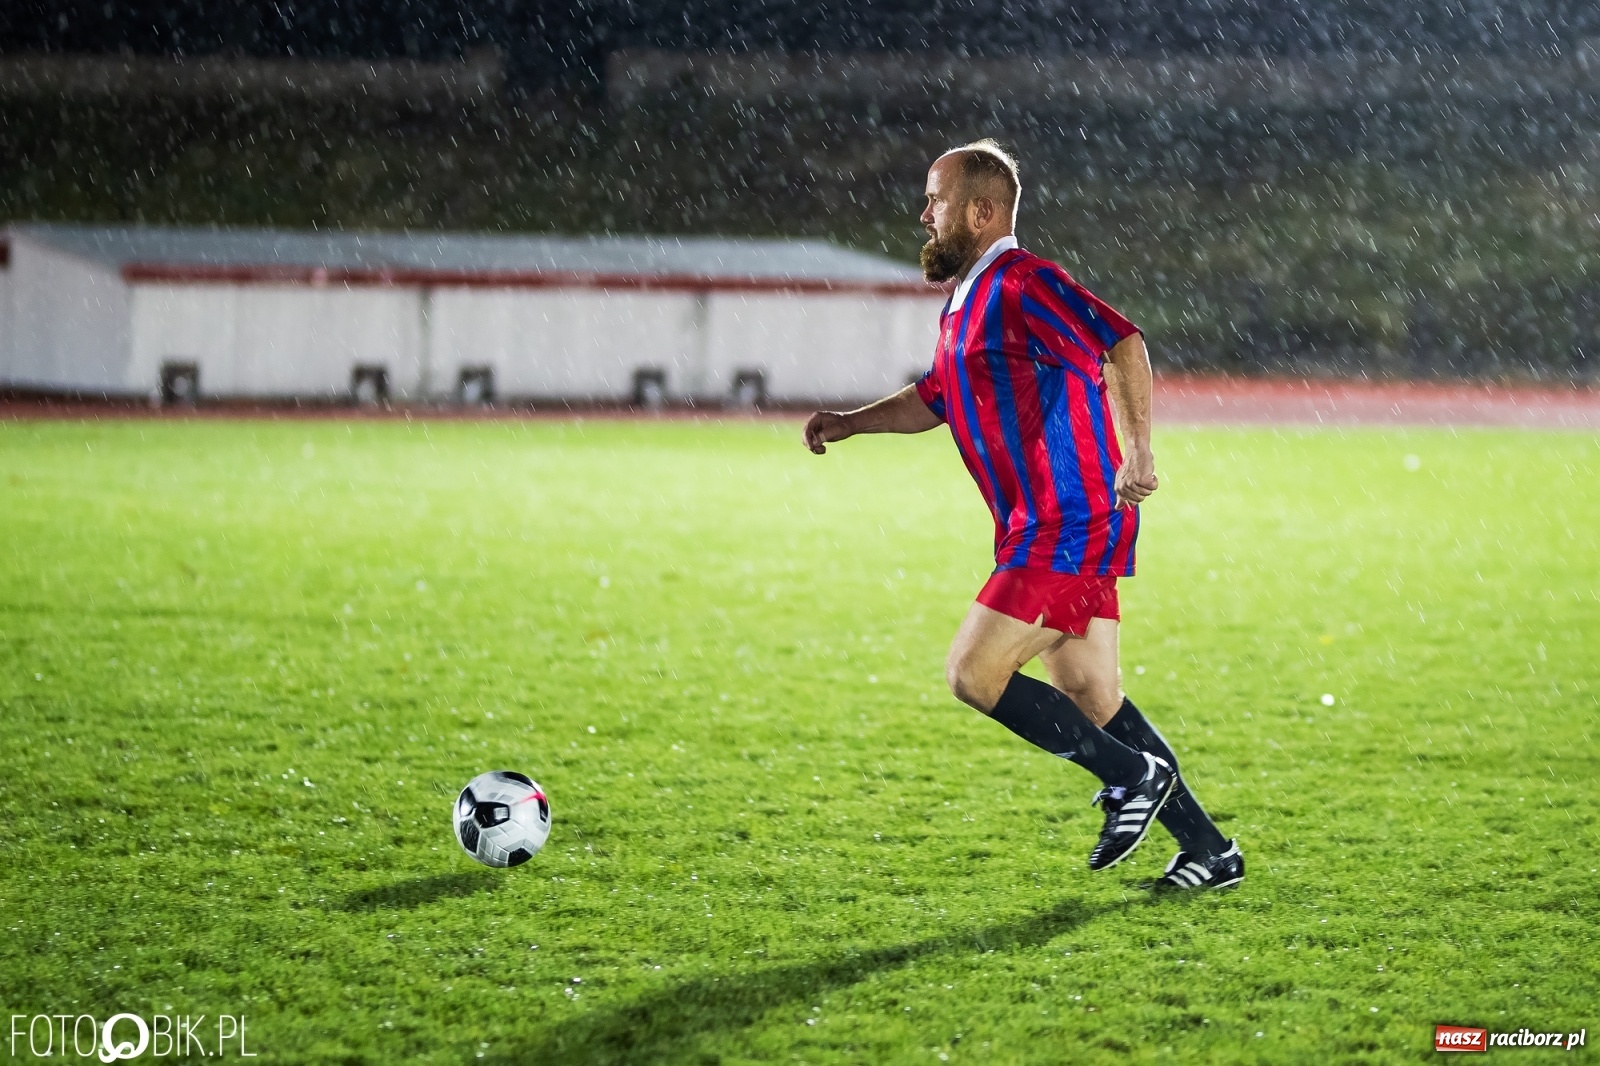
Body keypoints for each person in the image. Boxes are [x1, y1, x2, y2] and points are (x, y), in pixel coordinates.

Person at [803, 139, 1242, 888]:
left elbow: (1123, 342)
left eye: (936, 201)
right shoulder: (966, 299)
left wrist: (1139, 450)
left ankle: (1131, 778)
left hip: (1067, 521)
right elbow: (933, 398)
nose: (924, 214)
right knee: (1092, 694)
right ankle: (1210, 850)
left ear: (980, 211)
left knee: (974, 673)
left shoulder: (1021, 282)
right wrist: (849, 422)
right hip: (1045, 524)